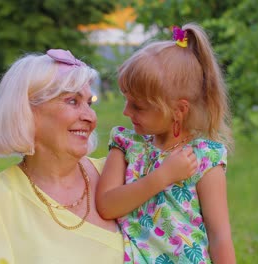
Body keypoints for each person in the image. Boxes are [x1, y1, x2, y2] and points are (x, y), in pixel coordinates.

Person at [0, 49, 123, 264]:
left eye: (89, 103)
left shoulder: (117, 175)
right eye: (72, 101)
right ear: (26, 111)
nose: (90, 117)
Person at [96, 23, 236, 264]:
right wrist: (162, 176)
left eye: (137, 106)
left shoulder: (204, 157)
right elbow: (107, 206)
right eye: (126, 100)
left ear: (178, 111)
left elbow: (219, 235)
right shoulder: (127, 145)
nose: (126, 112)